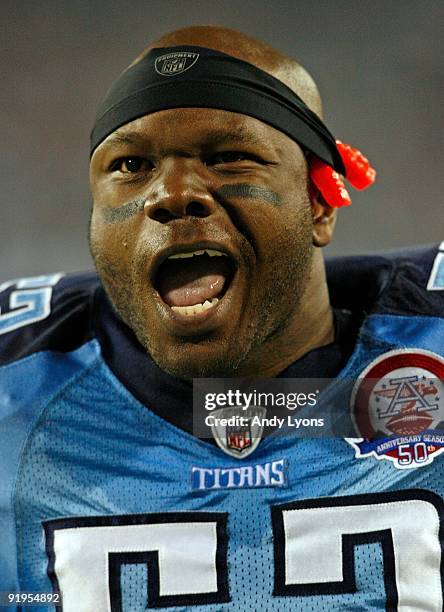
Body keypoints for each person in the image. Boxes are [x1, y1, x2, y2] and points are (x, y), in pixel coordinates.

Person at [0, 25, 443, 612]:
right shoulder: (17, 378)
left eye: (230, 157)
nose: (173, 192)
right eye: (130, 163)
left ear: (318, 201)